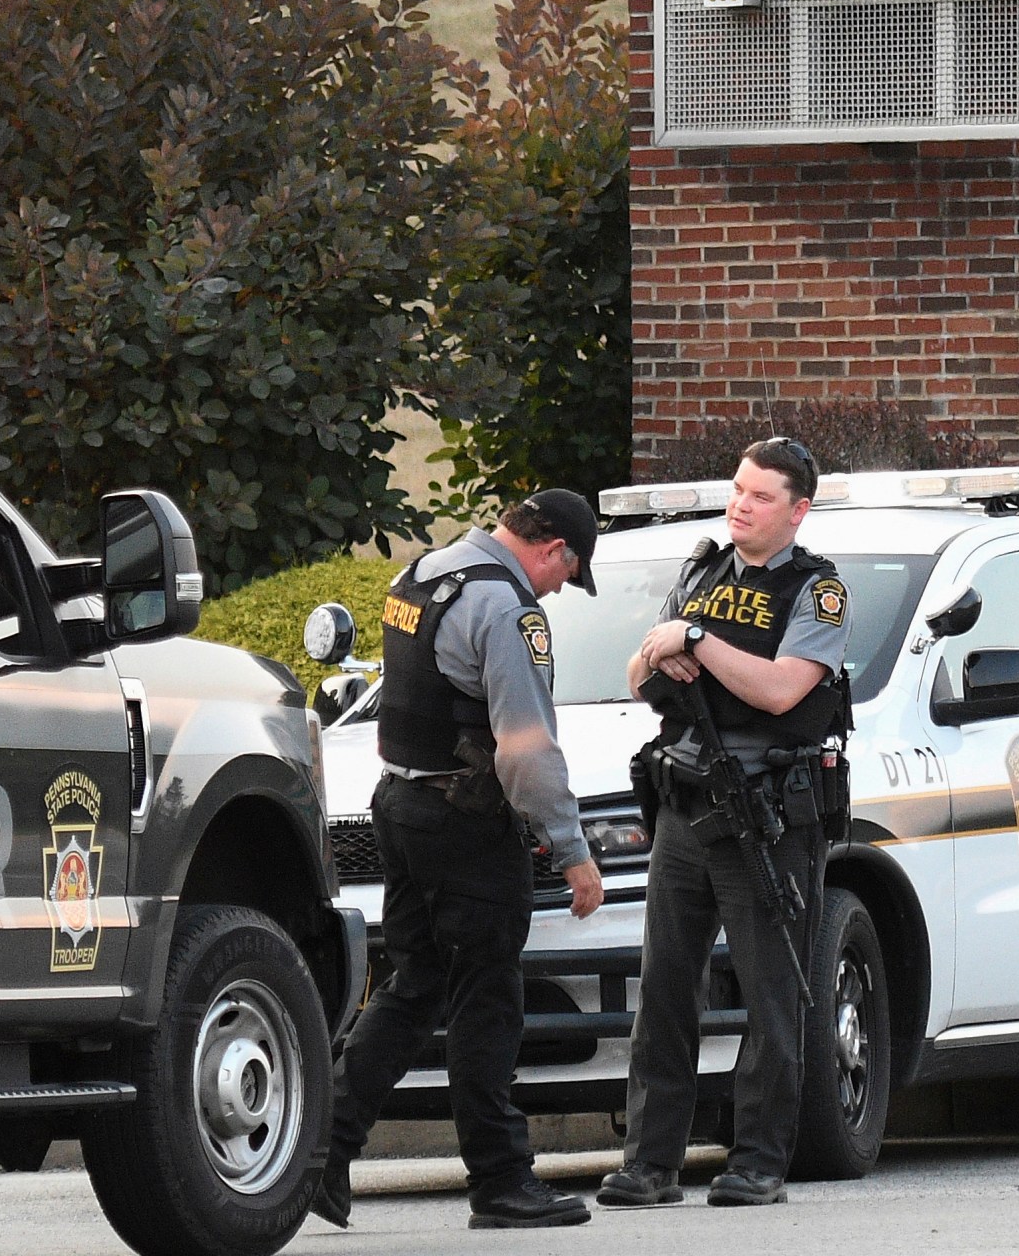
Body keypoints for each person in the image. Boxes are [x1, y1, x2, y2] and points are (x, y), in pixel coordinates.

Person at [313, 490, 608, 1232]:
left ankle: (321, 1149)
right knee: (487, 1001)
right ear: (554, 551)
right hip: (468, 826)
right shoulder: (507, 609)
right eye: (566, 577)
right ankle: (503, 1182)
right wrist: (574, 855)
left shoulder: (427, 573)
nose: (558, 591)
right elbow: (528, 750)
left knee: (417, 985)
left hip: (402, 808)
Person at [598, 438, 850, 1209]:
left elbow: (781, 691)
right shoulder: (702, 570)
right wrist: (666, 647)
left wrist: (698, 643)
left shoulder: (817, 591)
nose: (739, 504)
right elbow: (638, 675)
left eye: (760, 496)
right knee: (668, 989)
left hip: (767, 814)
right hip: (685, 803)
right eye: (737, 490)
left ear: (797, 510)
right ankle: (650, 1162)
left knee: (773, 994)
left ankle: (757, 1162)